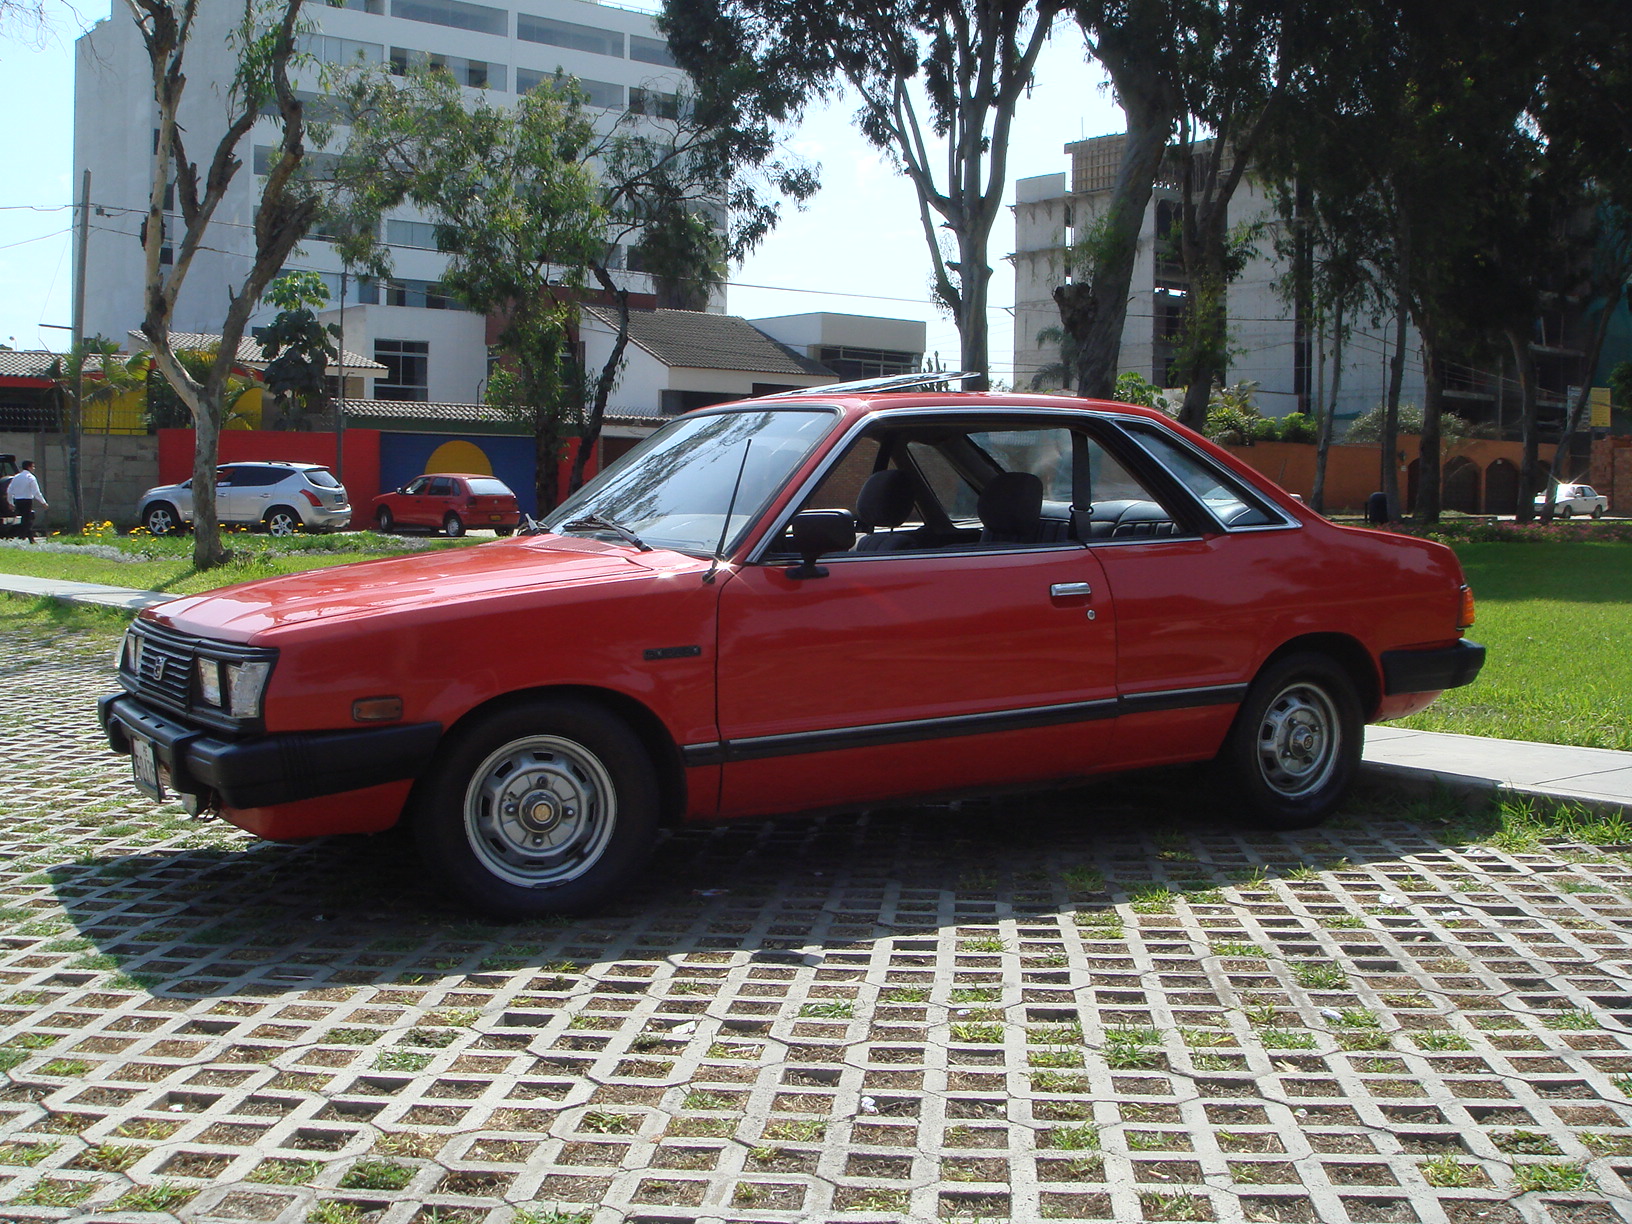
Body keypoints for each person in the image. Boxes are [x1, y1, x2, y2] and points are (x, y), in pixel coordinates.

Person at [9, 459, 45, 543]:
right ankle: (22, 536)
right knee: (27, 520)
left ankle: (30, 538)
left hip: (17, 500)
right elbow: (36, 492)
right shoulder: (30, 477)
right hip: (27, 501)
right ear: (29, 467)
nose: (34, 468)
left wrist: (10, 502)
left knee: (24, 519)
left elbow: (9, 490)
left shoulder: (16, 477)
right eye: (33, 466)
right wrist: (43, 502)